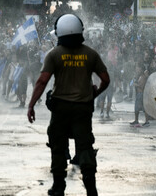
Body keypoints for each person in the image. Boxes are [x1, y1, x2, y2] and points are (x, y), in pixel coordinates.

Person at [27, 14, 110, 196]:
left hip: (60, 109)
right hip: (83, 108)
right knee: (85, 146)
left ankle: (58, 187)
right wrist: (94, 93)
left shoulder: (54, 54)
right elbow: (105, 79)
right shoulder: (91, 54)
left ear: (59, 33)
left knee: (57, 146)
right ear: (80, 30)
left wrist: (31, 105)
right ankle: (91, 188)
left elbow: (42, 81)